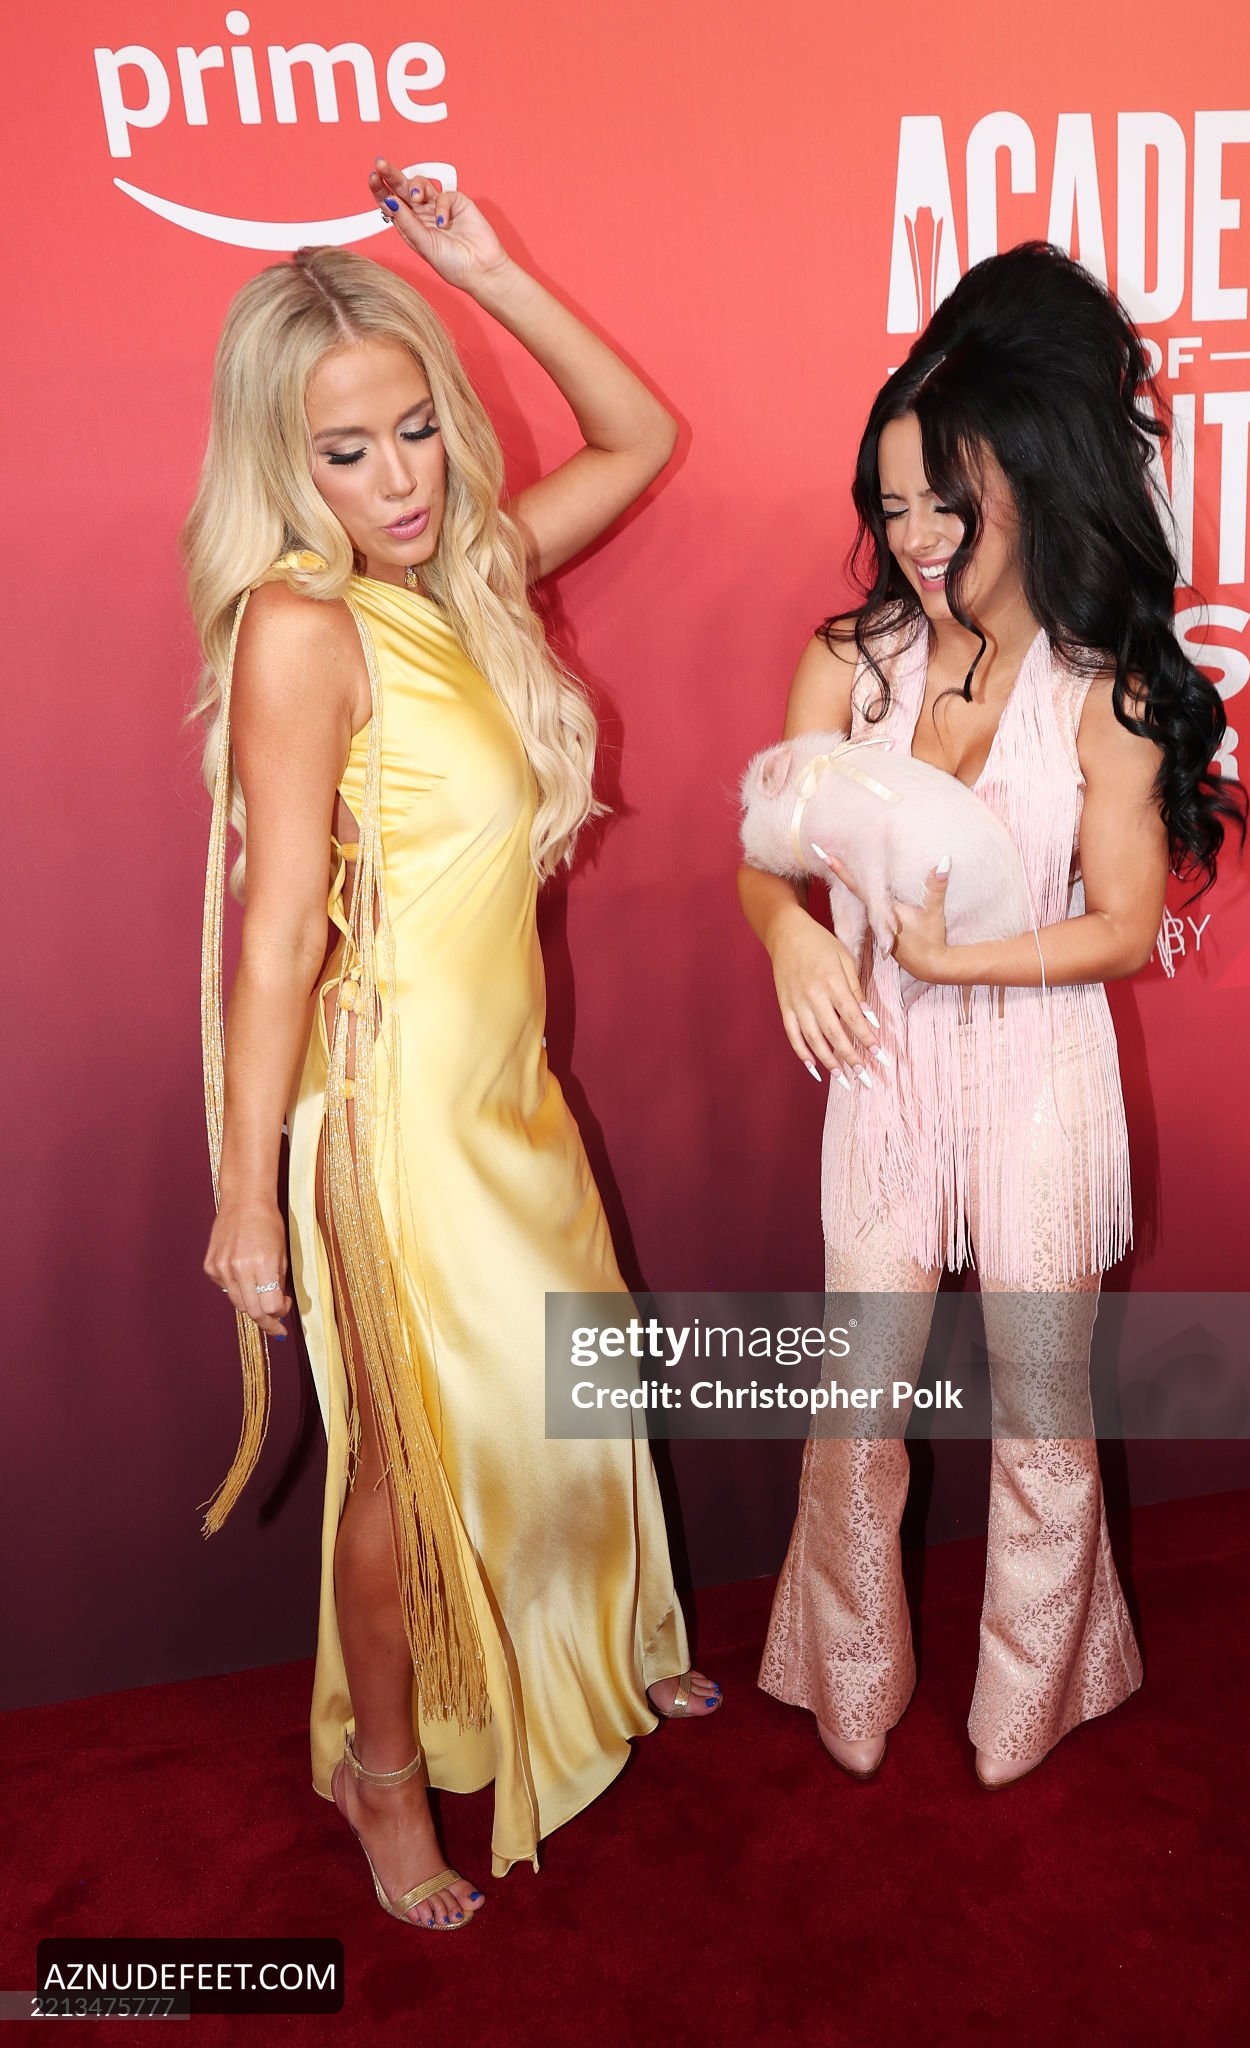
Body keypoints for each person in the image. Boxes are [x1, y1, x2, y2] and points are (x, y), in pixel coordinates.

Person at [189, 157, 720, 1931]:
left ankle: (595, 1649)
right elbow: (278, 936)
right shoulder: (303, 626)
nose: (401, 480)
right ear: (284, 467)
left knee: (569, 1388)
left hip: (506, 1097)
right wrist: (245, 1199)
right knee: (408, 1469)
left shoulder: (459, 571)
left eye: (416, 429)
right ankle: (384, 1774)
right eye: (348, 453)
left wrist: (485, 269)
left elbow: (639, 437)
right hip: (392, 1116)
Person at [738, 241, 1246, 1787]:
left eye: (947, 504)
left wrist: (952, 965)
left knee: (1037, 1405)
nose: (913, 538)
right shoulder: (849, 663)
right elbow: (764, 852)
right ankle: (846, 1673)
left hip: (1036, 1077)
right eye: (890, 504)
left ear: (1024, 486)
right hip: (882, 1077)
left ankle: (1036, 1689)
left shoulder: (1102, 686)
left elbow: (1121, 925)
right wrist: (788, 937)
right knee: (858, 1401)